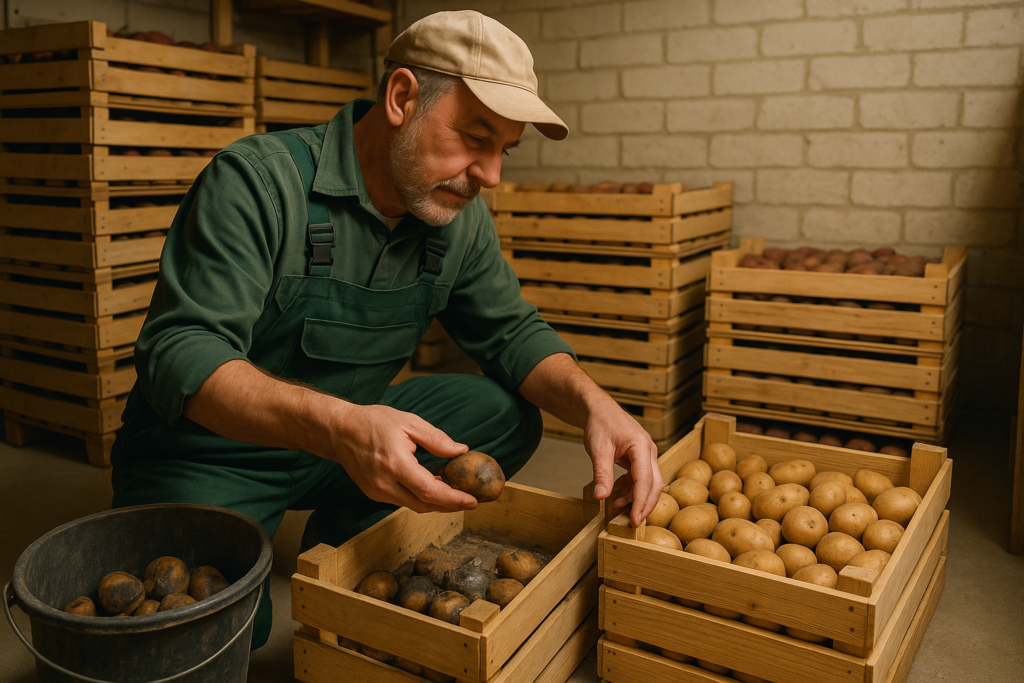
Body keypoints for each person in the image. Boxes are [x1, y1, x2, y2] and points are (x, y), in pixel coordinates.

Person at [110, 10, 664, 647]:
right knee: (214, 630)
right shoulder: (258, 183)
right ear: (401, 98)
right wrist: (342, 427)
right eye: (474, 138)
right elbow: (180, 353)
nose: (491, 175)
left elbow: (511, 331)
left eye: (504, 150)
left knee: (504, 412)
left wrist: (596, 404)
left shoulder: (458, 219)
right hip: (209, 448)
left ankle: (344, 531)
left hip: (344, 440)